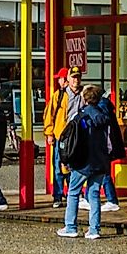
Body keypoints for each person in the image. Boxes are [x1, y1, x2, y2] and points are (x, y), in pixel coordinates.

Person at [57, 85, 115, 240]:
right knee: (94, 194)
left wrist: (67, 159)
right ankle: (94, 230)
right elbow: (109, 142)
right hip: (101, 161)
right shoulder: (105, 117)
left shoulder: (80, 117)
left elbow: (73, 140)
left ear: (84, 98)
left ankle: (70, 226)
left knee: (73, 192)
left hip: (83, 162)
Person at [43, 66, 82, 207]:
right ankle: (58, 196)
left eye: (78, 77)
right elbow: (49, 115)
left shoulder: (84, 95)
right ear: (68, 79)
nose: (76, 80)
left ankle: (75, 194)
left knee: (76, 165)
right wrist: (49, 133)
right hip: (61, 135)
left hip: (78, 136)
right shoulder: (59, 95)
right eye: (73, 77)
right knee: (59, 166)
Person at [80, 91, 123, 215]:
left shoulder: (98, 110)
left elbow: (102, 129)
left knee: (103, 173)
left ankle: (111, 200)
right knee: (98, 172)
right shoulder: (104, 107)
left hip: (102, 146)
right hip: (104, 146)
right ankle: (90, 198)